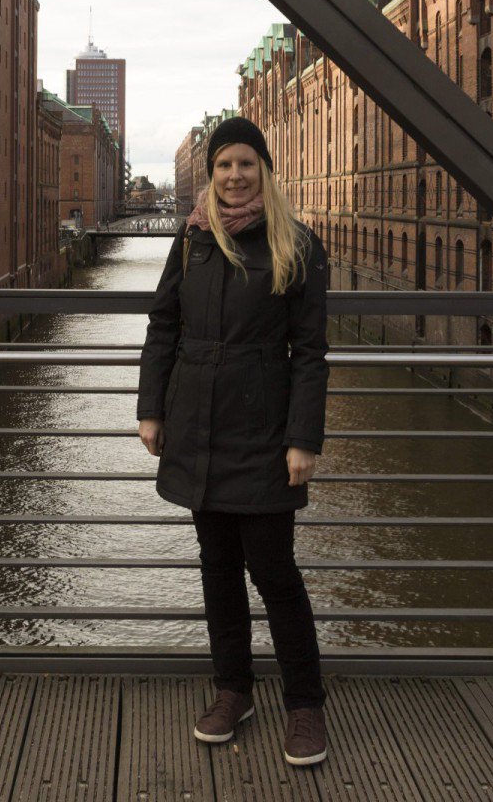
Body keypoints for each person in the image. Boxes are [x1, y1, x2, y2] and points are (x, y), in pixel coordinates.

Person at [136, 115, 330, 766]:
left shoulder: (295, 244)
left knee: (275, 572)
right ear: (212, 173)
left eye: (246, 163)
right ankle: (233, 690)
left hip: (264, 426)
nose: (234, 174)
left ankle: (304, 705)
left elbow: (310, 352)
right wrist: (151, 410)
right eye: (224, 164)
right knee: (217, 569)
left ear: (264, 170)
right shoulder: (192, 240)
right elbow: (163, 324)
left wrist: (303, 438)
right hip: (197, 424)